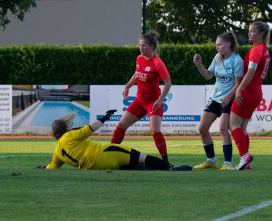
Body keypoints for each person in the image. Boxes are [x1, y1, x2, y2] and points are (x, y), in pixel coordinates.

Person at [36, 109, 191, 171]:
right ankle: (169, 167)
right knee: (140, 157)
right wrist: (105, 117)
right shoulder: (70, 136)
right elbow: (91, 128)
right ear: (65, 129)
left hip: (95, 168)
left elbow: (52, 167)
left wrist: (43, 167)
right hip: (103, 153)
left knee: (130, 164)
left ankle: (146, 168)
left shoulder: (57, 150)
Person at [110, 31, 172, 165]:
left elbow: (168, 83)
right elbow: (137, 74)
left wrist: (160, 100)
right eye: (140, 45)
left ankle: (166, 161)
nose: (141, 48)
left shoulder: (158, 63)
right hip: (140, 101)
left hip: (153, 102)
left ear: (152, 47)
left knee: (155, 130)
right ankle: (110, 152)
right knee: (121, 125)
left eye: (144, 46)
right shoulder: (139, 58)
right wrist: (127, 86)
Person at [192, 32, 244, 170]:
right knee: (202, 129)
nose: (217, 47)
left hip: (229, 100)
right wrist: (199, 65)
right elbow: (208, 75)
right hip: (215, 99)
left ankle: (227, 163)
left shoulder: (237, 60)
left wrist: (228, 97)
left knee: (222, 129)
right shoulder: (217, 57)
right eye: (216, 45)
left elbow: (238, 84)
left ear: (228, 44)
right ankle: (211, 160)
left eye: (219, 44)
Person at [230, 21, 271, 170]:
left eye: (252, 31)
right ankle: (245, 161)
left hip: (248, 91)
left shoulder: (256, 50)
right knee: (242, 126)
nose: (249, 33)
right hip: (256, 91)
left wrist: (239, 89)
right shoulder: (264, 49)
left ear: (261, 34)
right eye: (249, 31)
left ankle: (244, 156)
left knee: (232, 124)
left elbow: (251, 71)